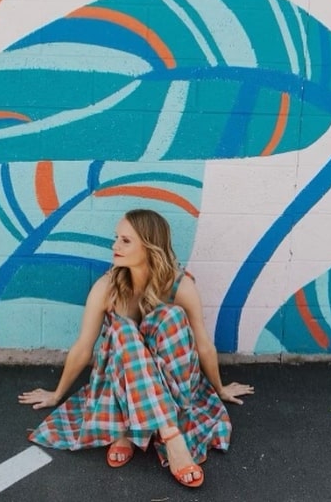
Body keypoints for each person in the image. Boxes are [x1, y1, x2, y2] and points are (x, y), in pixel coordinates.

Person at [18, 208, 254, 488]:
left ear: (150, 245)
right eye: (116, 238)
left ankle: (129, 429)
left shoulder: (180, 285)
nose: (114, 246)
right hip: (117, 382)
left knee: (172, 317)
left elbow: (203, 345)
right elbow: (84, 347)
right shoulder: (108, 287)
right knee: (122, 329)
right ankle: (170, 434)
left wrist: (220, 387)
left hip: (172, 382)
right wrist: (57, 394)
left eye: (125, 240)